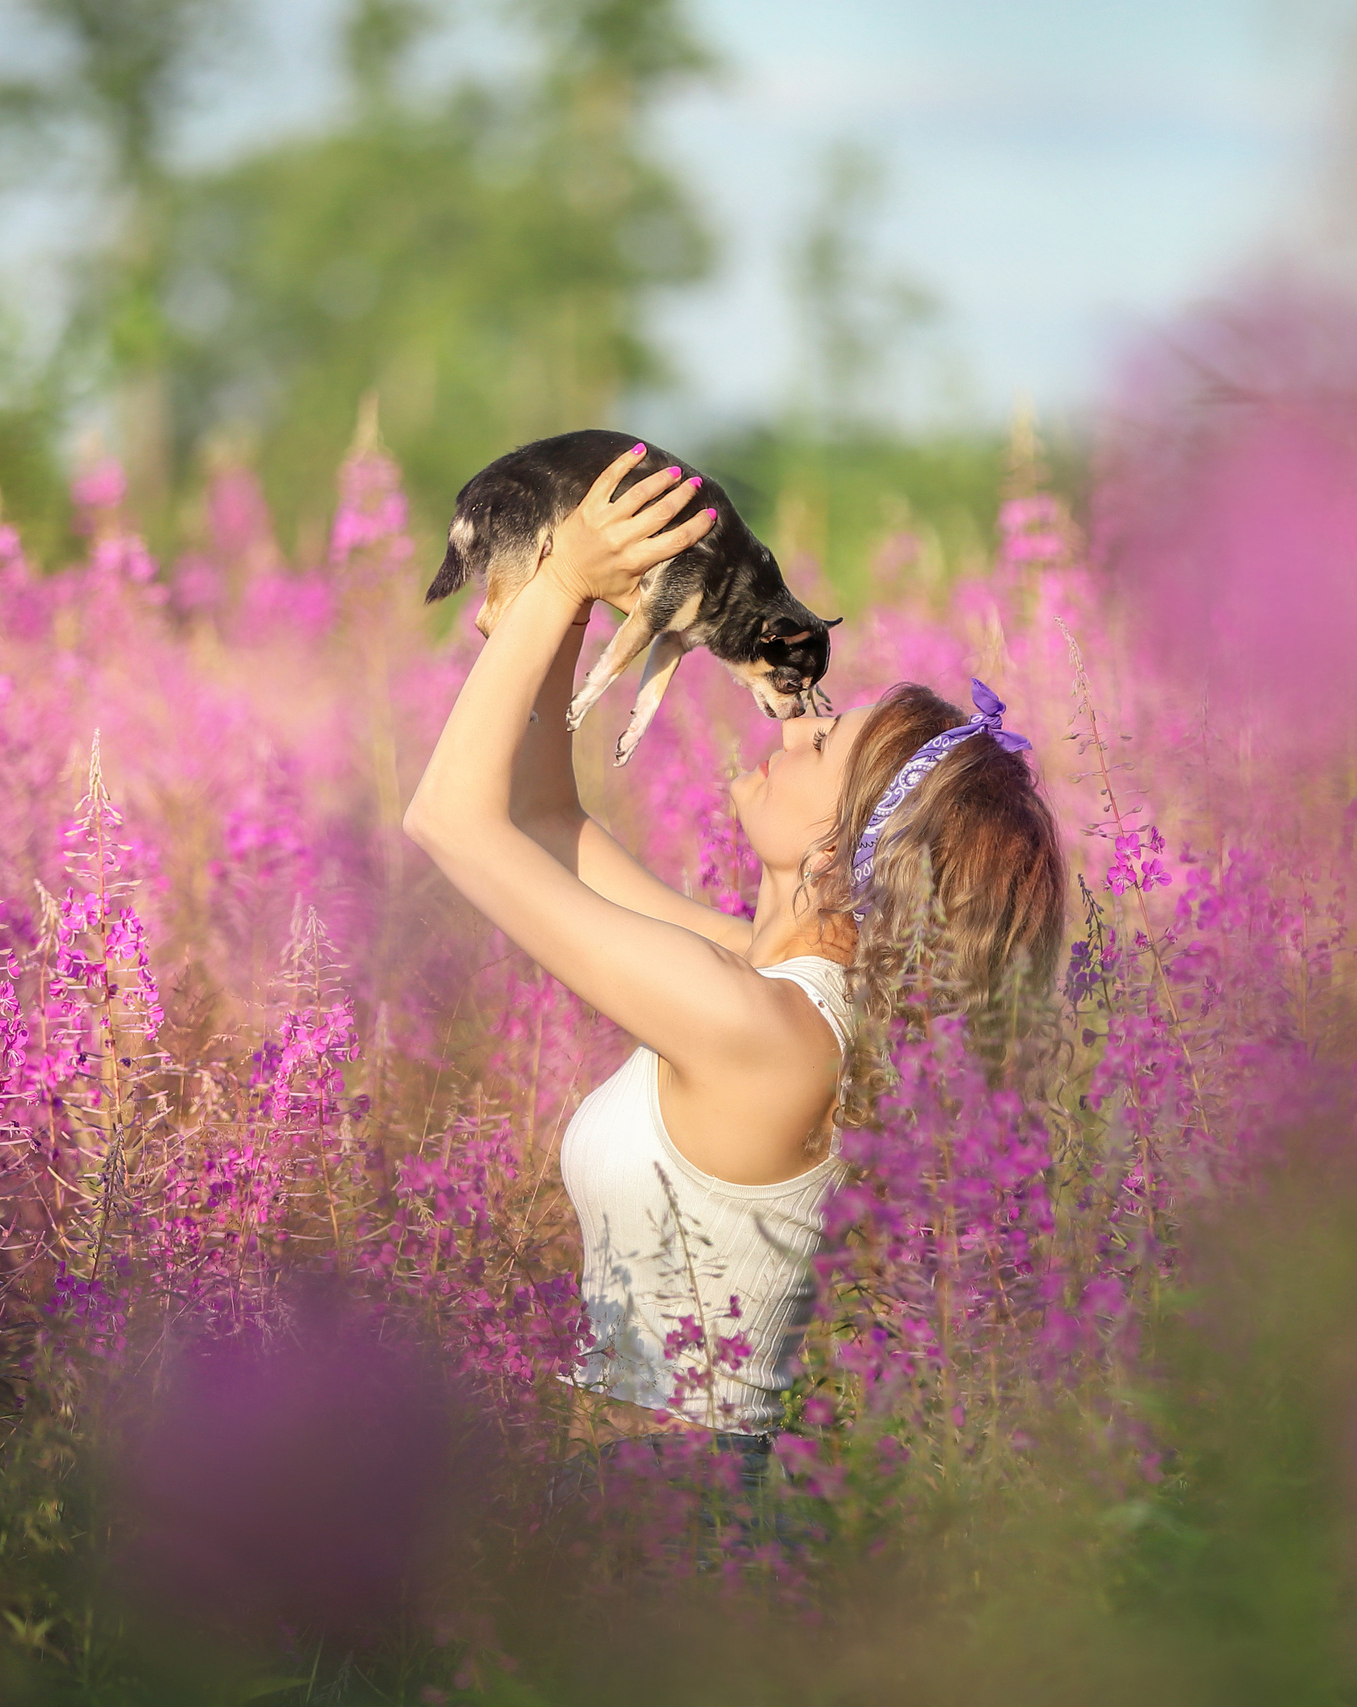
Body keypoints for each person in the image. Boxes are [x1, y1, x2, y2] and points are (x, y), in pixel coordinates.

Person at [402, 443, 1067, 1494]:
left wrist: (565, 583)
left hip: (666, 1516)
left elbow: (451, 821)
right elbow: (538, 818)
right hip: (642, 1506)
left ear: (845, 846)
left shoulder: (758, 1031)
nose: (791, 726)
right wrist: (554, 606)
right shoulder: (758, 982)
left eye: (820, 744)